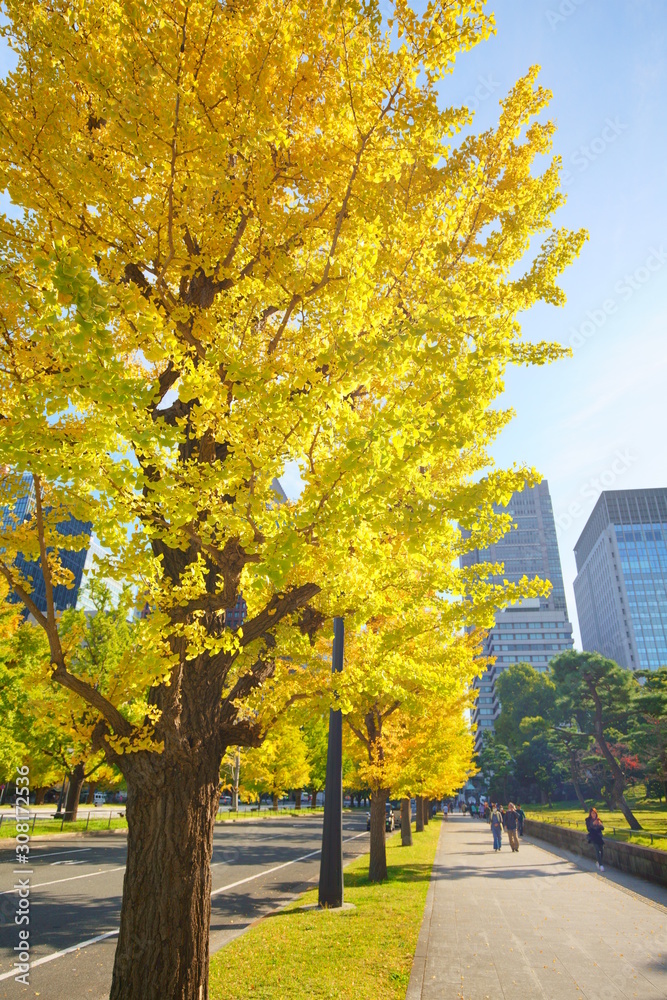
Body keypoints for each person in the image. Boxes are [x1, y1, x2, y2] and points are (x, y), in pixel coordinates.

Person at [586, 807, 605, 871]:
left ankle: (598, 862)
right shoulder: (588, 820)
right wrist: (592, 824)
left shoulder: (598, 819)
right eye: (592, 813)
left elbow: (602, 828)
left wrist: (600, 824)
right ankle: (601, 865)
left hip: (599, 836)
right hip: (593, 836)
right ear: (590, 814)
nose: (593, 814)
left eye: (594, 813)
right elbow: (588, 829)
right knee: (597, 850)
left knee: (602, 851)